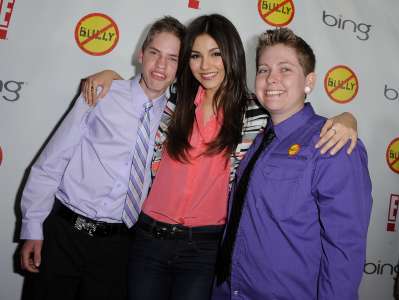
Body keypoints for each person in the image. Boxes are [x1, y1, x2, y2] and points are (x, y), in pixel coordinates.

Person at [82, 15, 359, 300]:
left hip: (203, 249)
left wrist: (347, 118)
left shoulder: (256, 113)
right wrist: (110, 77)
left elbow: (295, 116)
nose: (206, 66)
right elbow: (140, 88)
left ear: (231, 55)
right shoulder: (174, 99)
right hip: (149, 239)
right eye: (196, 56)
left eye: (216, 54)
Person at [19, 16, 185, 300]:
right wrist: (32, 227)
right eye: (155, 53)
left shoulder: (179, 119)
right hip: (64, 234)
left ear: (181, 68)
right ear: (141, 54)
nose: (161, 66)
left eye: (172, 59)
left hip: (119, 248)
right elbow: (53, 161)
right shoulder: (101, 93)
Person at [213, 28, 372, 300]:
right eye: (263, 70)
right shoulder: (258, 138)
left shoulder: (332, 143)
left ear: (308, 81)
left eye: (285, 69)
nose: (271, 78)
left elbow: (344, 249)